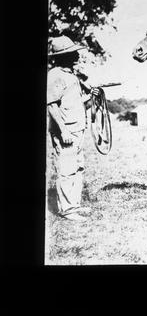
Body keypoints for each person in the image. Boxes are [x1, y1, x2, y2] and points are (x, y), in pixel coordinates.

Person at [47, 36, 100, 221]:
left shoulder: (71, 76)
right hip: (67, 132)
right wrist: (63, 131)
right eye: (72, 53)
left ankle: (74, 205)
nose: (76, 55)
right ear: (63, 56)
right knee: (67, 169)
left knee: (77, 167)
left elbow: (77, 104)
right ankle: (67, 210)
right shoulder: (55, 75)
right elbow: (52, 105)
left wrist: (91, 96)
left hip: (77, 130)